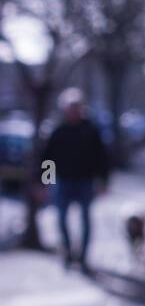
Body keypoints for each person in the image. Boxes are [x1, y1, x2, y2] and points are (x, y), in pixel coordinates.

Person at [40, 88, 110, 271]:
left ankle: (83, 257)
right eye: (70, 108)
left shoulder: (91, 130)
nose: (74, 111)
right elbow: (48, 158)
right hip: (63, 182)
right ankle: (68, 253)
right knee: (61, 219)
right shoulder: (58, 131)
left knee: (86, 219)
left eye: (77, 107)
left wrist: (103, 180)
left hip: (85, 182)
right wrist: (46, 182)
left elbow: (102, 157)